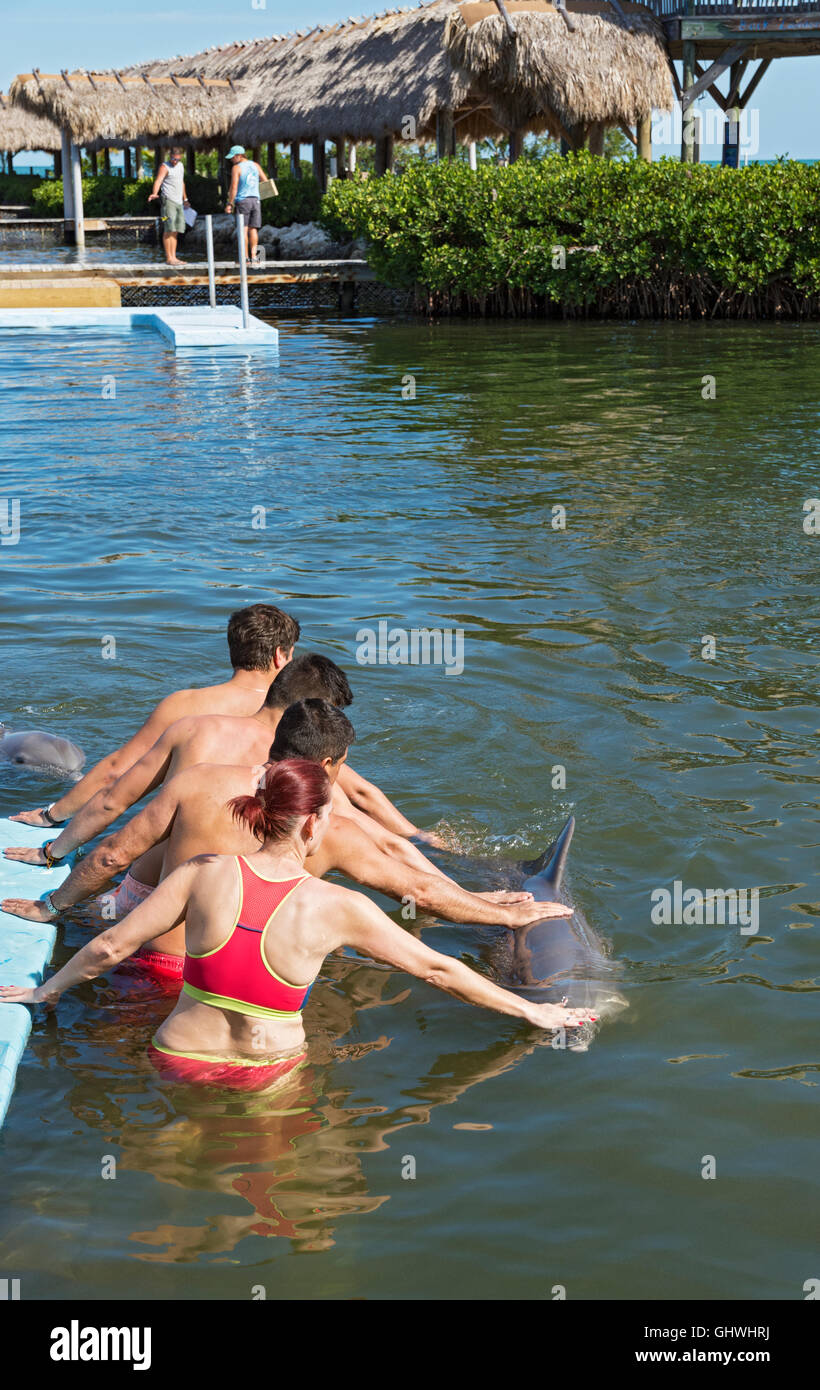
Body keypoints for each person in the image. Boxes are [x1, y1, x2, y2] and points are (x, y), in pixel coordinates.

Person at [0, 759, 595, 1091]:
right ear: (313, 828)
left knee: (168, 1171)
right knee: (265, 1189)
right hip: (267, 1072)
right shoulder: (340, 907)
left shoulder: (202, 873)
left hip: (176, 1053)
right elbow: (438, 969)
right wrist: (536, 1011)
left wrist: (43, 992)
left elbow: (109, 945)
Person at [0, 701, 564, 977]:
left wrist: (51, 906)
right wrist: (498, 913)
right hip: (231, 982)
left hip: (144, 958)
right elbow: (415, 886)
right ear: (327, 764)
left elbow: (111, 853)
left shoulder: (197, 784)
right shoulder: (327, 829)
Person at [9, 604, 299, 831]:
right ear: (279, 656)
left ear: (233, 650)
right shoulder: (302, 714)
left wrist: (52, 814)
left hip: (186, 845)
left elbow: (116, 770)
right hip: (269, 845)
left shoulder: (185, 705)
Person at [224, 145, 268, 264]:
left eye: (232, 157)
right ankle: (254, 257)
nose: (231, 160)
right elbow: (265, 180)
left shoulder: (236, 168)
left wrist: (229, 203)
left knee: (243, 230)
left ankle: (245, 258)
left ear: (239, 156)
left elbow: (234, 187)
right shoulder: (255, 165)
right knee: (253, 229)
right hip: (256, 200)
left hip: (243, 201)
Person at [147, 148, 191, 266]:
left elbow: (182, 183)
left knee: (176, 230)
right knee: (168, 228)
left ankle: (174, 257)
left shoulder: (180, 166)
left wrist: (185, 199)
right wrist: (155, 193)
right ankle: (169, 258)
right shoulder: (164, 167)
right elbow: (158, 181)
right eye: (173, 159)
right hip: (168, 202)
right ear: (169, 156)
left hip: (178, 203)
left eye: (177, 159)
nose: (175, 161)